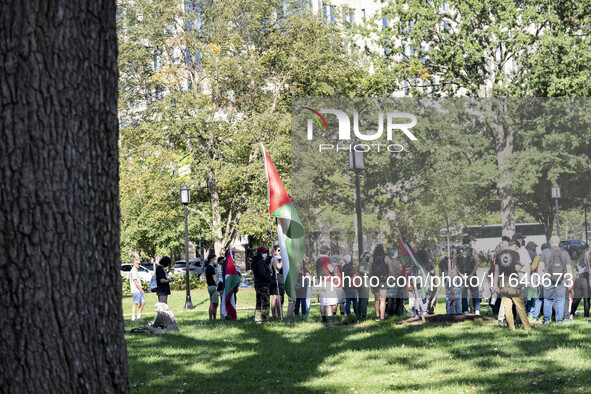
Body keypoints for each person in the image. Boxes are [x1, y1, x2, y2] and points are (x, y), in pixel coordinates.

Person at [494, 241, 531, 330]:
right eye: (517, 248)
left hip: (503, 281)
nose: (517, 249)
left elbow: (496, 270)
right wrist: (523, 264)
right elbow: (517, 268)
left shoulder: (499, 254)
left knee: (507, 306)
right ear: (514, 246)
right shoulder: (515, 254)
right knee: (520, 305)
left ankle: (511, 327)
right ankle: (527, 326)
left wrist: (495, 284)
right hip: (513, 281)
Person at [539, 236, 572, 324]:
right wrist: (570, 280)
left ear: (550, 242)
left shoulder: (545, 252)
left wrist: (540, 279)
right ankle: (559, 320)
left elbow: (540, 266)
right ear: (559, 242)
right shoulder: (564, 252)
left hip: (547, 278)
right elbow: (569, 268)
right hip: (561, 279)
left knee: (548, 299)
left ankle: (546, 320)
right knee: (560, 300)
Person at [454, 235, 480, 314]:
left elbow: (454, 264)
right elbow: (477, 263)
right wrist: (472, 274)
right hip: (472, 274)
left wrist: (461, 274)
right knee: (475, 292)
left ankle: (465, 310)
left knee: (464, 292)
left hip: (462, 274)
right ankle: (477, 309)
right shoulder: (472, 250)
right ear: (469, 242)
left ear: (462, 241)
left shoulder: (457, 251)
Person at [369, 244, 393, 321]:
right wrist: (391, 278)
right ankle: (382, 317)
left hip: (375, 280)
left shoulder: (371, 259)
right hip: (384, 280)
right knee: (383, 299)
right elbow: (390, 271)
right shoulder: (386, 258)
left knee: (377, 299)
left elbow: (370, 272)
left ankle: (377, 316)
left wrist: (371, 280)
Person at [317, 245, 338, 325]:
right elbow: (330, 269)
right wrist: (334, 268)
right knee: (329, 303)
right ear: (326, 251)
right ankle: (330, 320)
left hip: (321, 282)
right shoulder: (326, 259)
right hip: (328, 282)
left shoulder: (318, 260)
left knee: (323, 302)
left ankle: (324, 319)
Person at [252, 246, 271, 323]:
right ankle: (264, 318)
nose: (265, 254)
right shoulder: (260, 262)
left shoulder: (257, 261)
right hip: (263, 285)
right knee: (265, 303)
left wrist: (269, 258)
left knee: (259, 303)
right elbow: (262, 273)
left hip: (258, 284)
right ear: (260, 253)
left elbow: (264, 265)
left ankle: (257, 319)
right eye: (264, 253)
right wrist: (268, 278)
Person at [570, 250, 590, 319]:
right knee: (586, 300)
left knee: (576, 299)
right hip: (585, 280)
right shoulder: (589, 262)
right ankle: (586, 316)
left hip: (578, 281)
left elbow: (576, 273)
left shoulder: (579, 262)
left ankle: (571, 314)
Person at [270, 250, 285, 318]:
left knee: (278, 297)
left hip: (280, 279)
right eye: (278, 250)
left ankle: (277, 314)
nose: (280, 252)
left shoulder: (277, 258)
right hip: (278, 280)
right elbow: (278, 267)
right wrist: (282, 260)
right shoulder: (275, 259)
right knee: (277, 297)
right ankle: (277, 315)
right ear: (275, 251)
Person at [357, 251, 371, 318]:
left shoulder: (363, 262)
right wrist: (369, 272)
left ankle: (359, 314)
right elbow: (361, 270)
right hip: (364, 283)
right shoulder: (363, 262)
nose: (368, 257)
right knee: (364, 299)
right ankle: (363, 314)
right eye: (367, 256)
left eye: (369, 256)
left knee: (361, 299)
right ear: (363, 257)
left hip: (362, 283)